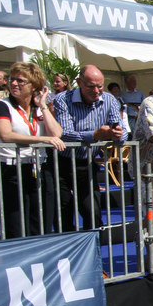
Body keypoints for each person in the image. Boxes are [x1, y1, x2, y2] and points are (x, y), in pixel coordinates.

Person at [0, 62, 65, 238]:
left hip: (39, 168)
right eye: (12, 79)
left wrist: (43, 106)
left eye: (20, 81)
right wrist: (42, 139)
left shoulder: (38, 107)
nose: (14, 84)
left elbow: (57, 133)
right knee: (16, 225)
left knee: (41, 223)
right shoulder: (3, 105)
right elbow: (5, 135)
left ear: (34, 87)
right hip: (12, 170)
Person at [52, 65, 126, 231]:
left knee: (93, 212)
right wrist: (95, 135)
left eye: (100, 86)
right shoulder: (62, 99)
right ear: (79, 83)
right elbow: (65, 134)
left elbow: (122, 130)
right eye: (91, 86)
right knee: (63, 213)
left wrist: (117, 135)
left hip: (87, 163)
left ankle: (93, 245)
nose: (96, 90)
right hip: (61, 163)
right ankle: (66, 245)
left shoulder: (109, 99)